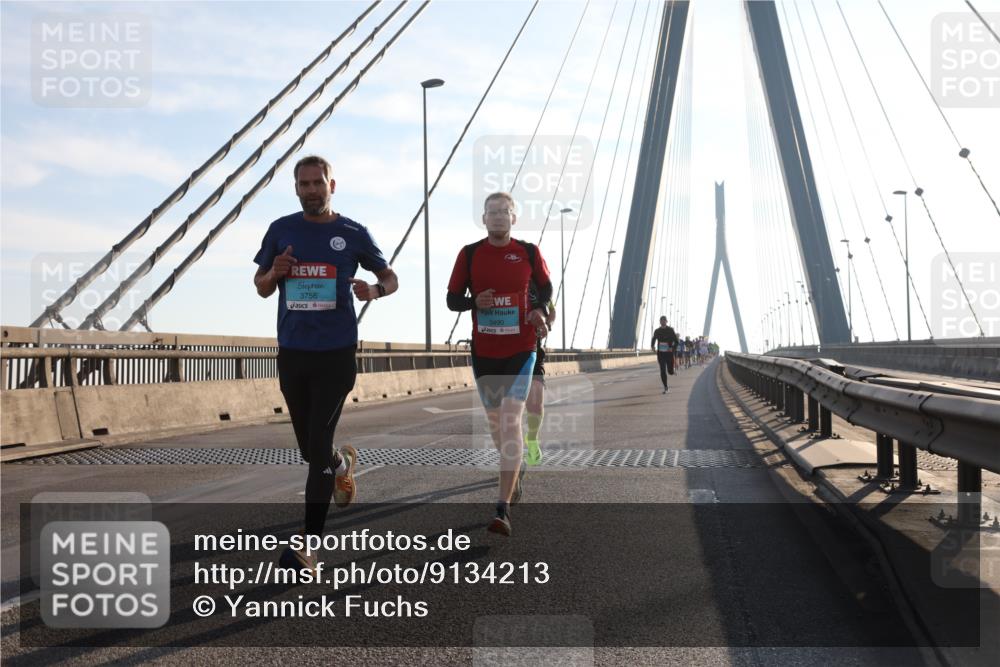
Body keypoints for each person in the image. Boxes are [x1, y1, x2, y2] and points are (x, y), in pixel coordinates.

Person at [253, 155, 398, 572]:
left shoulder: (352, 232)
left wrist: (374, 289)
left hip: (336, 352)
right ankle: (341, 465)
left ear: (333, 185)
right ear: (296, 189)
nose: (312, 190)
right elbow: (261, 288)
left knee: (316, 444)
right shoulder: (281, 230)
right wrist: (274, 273)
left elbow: (391, 278)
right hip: (293, 351)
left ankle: (308, 548)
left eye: (319, 182)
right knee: (309, 449)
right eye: (304, 184)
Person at [447, 192, 552, 536]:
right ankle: (516, 468)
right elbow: (451, 300)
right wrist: (473, 301)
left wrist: (539, 311)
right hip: (485, 351)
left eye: (504, 212)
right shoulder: (470, 254)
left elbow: (547, 291)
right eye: (492, 212)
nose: (498, 217)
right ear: (483, 219)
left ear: (514, 218)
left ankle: (502, 508)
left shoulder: (529, 252)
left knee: (510, 419)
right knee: (498, 426)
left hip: (522, 349)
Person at [524, 294, 555, 466]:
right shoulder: (502, 277)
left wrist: (547, 324)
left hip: (533, 349)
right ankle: (510, 452)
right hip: (506, 352)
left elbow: (551, 310)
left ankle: (532, 439)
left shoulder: (540, 285)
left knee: (535, 403)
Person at [651, 316, 679, 393]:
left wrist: (672, 348)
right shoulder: (657, 331)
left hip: (669, 353)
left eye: (664, 321)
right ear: (660, 322)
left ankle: (673, 371)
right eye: (661, 321)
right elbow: (653, 339)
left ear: (666, 321)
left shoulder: (670, 330)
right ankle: (666, 387)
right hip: (661, 354)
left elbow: (676, 342)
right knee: (662, 370)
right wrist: (652, 346)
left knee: (670, 372)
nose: (663, 322)